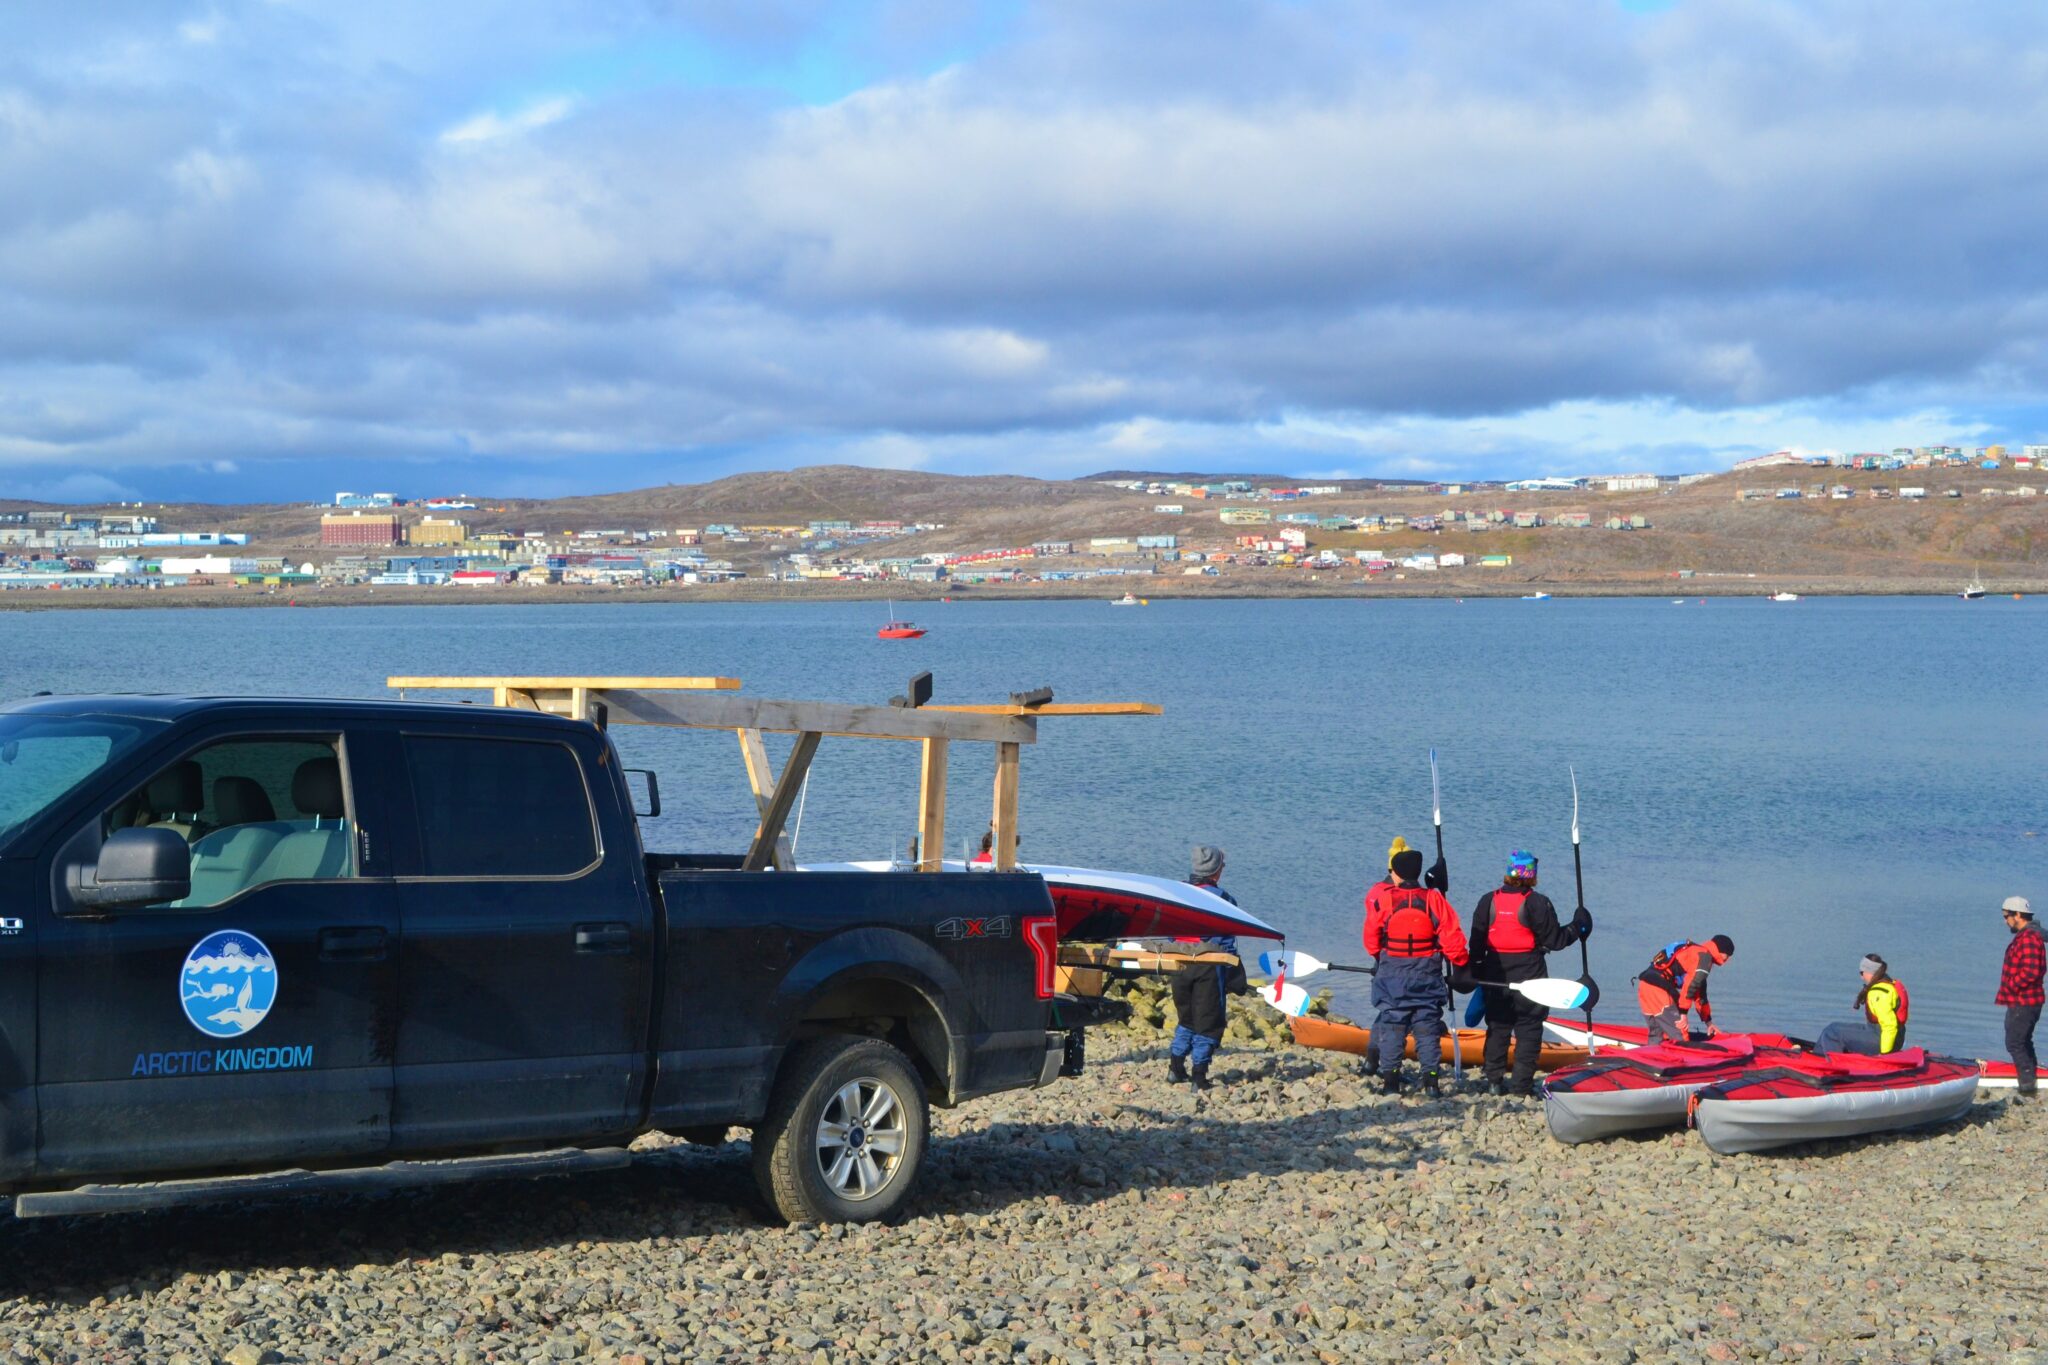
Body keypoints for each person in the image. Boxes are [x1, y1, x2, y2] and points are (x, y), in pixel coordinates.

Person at [1466, 850, 1590, 1095]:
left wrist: (1476, 972)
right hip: (1530, 974)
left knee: (1498, 1026)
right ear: (1531, 875)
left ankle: (1494, 1081)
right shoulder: (1537, 902)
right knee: (1529, 1028)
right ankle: (1521, 1087)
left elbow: (1476, 943)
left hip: (1495, 974)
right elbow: (1555, 940)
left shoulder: (1487, 901)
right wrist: (1579, 926)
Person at [1362, 847, 1469, 1096]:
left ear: (1396, 872)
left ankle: (1390, 1083)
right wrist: (1462, 963)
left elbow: (1370, 940)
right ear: (1418, 872)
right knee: (1427, 1027)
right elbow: (1453, 939)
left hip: (1392, 974)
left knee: (1392, 1026)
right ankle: (1431, 1082)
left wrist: (1382, 958)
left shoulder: (1385, 899)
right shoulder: (1434, 899)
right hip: (1426, 974)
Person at [1167, 845, 1249, 1090]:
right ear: (1215, 871)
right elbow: (1227, 942)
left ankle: (1175, 1069)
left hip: (1179, 964)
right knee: (1209, 1022)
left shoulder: (1177, 892)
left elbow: (1171, 934)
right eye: (1222, 866)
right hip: (1208, 966)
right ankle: (1199, 1078)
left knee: (1187, 1019)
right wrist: (1236, 974)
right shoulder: (1223, 899)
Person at [1636, 935, 1734, 1043]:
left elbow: (1700, 994)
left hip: (1645, 985)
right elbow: (1691, 986)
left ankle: (1652, 1054)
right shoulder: (1704, 958)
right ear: (1720, 951)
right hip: (1659, 990)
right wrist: (1683, 1014)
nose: (1728, 960)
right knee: (1681, 1036)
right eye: (1728, 955)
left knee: (1657, 1034)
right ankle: (1685, 1057)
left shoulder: (1696, 952)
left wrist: (1708, 1023)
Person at [1815, 955, 1909, 1055]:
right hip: (1886, 1035)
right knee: (1832, 1027)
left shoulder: (1879, 993)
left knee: (1833, 1033)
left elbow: (1890, 1025)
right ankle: (1818, 1055)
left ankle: (1830, 1063)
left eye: (1861, 973)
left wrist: (1885, 1054)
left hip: (1882, 1040)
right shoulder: (1889, 983)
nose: (1861, 976)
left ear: (1869, 972)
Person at [1998, 896, 2044, 1098]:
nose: (2005, 921)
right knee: (2023, 1041)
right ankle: (2032, 1079)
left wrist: (2011, 986)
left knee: (2014, 1042)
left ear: (2018, 915)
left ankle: (2027, 1086)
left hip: (2024, 1000)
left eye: (2007, 916)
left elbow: (2032, 971)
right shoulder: (2028, 936)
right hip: (2024, 1000)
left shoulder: (2028, 938)